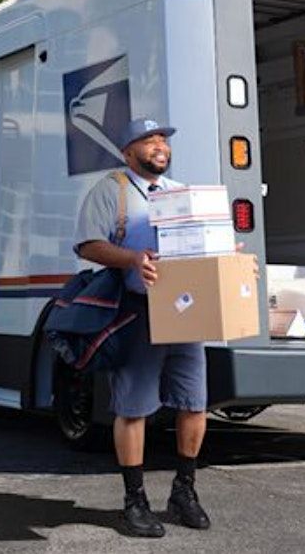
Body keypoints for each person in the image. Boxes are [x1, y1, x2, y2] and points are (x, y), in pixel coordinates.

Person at [74, 118, 210, 538]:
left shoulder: (181, 193)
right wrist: (132, 258)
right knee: (133, 409)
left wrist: (228, 256)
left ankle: (183, 490)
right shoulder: (110, 190)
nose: (159, 146)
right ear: (127, 151)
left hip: (185, 311)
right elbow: (87, 244)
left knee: (195, 403)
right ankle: (134, 500)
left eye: (163, 140)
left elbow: (202, 242)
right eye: (148, 140)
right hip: (136, 310)